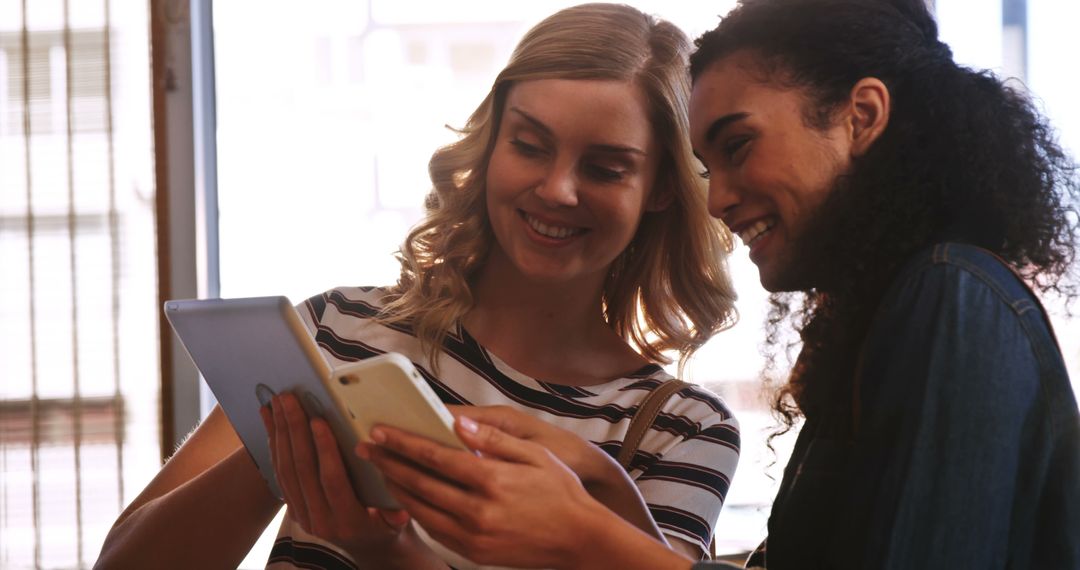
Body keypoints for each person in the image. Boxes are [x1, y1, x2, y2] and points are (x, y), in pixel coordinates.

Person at [360, 0, 1080, 568]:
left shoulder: (951, 298)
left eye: (738, 148)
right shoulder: (891, 321)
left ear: (860, 117)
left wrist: (589, 541)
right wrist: (615, 502)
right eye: (709, 165)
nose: (718, 197)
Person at [95, 4, 741, 569]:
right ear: (491, 146)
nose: (556, 189)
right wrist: (286, 455)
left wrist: (389, 553)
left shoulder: (677, 432)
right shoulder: (334, 329)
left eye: (604, 168)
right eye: (529, 145)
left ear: (660, 189)